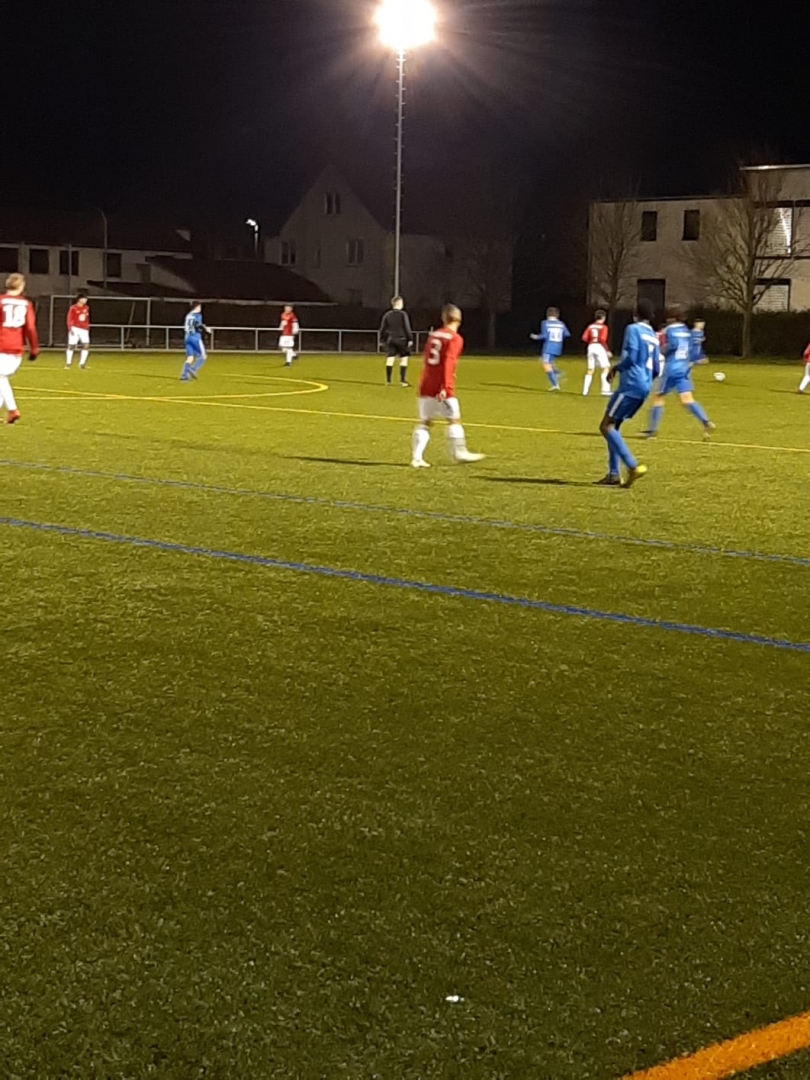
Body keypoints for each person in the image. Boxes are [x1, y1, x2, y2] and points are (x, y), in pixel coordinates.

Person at [595, 298, 659, 488]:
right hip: (644, 386)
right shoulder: (653, 335)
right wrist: (645, 381)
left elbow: (631, 356)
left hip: (630, 384)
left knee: (606, 426)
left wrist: (616, 368)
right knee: (615, 426)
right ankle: (613, 474)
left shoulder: (633, 329)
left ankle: (632, 466)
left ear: (635, 313)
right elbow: (656, 368)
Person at [411, 304, 485, 469]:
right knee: (453, 419)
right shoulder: (455, 338)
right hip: (442, 386)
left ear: (444, 318)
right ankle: (459, 452)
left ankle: (417, 458)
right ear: (459, 319)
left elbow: (427, 360)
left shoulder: (433, 335)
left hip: (426, 384)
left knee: (425, 422)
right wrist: (445, 386)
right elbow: (448, 361)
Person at [643, 305, 715, 439]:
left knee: (658, 396)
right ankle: (706, 422)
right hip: (684, 367)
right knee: (687, 399)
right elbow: (690, 348)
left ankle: (652, 431)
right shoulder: (686, 330)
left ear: (671, 317)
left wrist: (660, 350)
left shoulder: (669, 330)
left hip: (672, 368)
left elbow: (671, 346)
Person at [0, 273, 39, 424]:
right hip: (16, 347)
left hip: (1, 345)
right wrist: (34, 348)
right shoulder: (26, 304)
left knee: (0, 378)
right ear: (21, 286)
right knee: (1, 379)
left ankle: (12, 409)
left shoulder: (1, 301)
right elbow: (30, 328)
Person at [530, 307, 570, 391]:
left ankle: (555, 384)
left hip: (549, 346)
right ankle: (557, 373)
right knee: (549, 362)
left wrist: (536, 337)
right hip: (558, 346)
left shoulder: (545, 323)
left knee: (546, 364)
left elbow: (544, 335)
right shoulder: (561, 323)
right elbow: (567, 334)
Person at [379, 296, 414, 386]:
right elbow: (407, 327)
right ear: (400, 303)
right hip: (402, 339)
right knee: (404, 359)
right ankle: (402, 381)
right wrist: (410, 338)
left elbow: (382, 329)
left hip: (391, 339)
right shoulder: (403, 314)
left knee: (390, 358)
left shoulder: (387, 315)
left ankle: (388, 381)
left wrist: (382, 339)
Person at [581, 309, 612, 396]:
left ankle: (585, 391)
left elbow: (584, 338)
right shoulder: (604, 327)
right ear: (603, 318)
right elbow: (602, 339)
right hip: (599, 346)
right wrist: (607, 350)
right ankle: (605, 390)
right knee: (606, 368)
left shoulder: (590, 326)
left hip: (591, 346)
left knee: (590, 369)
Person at [181, 303, 210, 381]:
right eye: (199, 307)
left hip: (187, 337)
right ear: (196, 307)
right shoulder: (198, 315)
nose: (200, 309)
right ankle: (193, 369)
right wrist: (206, 329)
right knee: (203, 356)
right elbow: (197, 324)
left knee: (190, 357)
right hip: (195, 337)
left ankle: (184, 376)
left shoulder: (188, 315)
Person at [66, 291, 91, 369]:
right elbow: (69, 318)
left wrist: (87, 327)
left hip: (84, 329)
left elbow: (86, 318)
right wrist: (70, 328)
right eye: (84, 298)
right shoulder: (73, 308)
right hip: (75, 328)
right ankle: (68, 363)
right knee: (71, 346)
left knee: (86, 346)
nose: (86, 300)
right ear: (80, 299)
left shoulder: (86, 307)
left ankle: (82, 364)